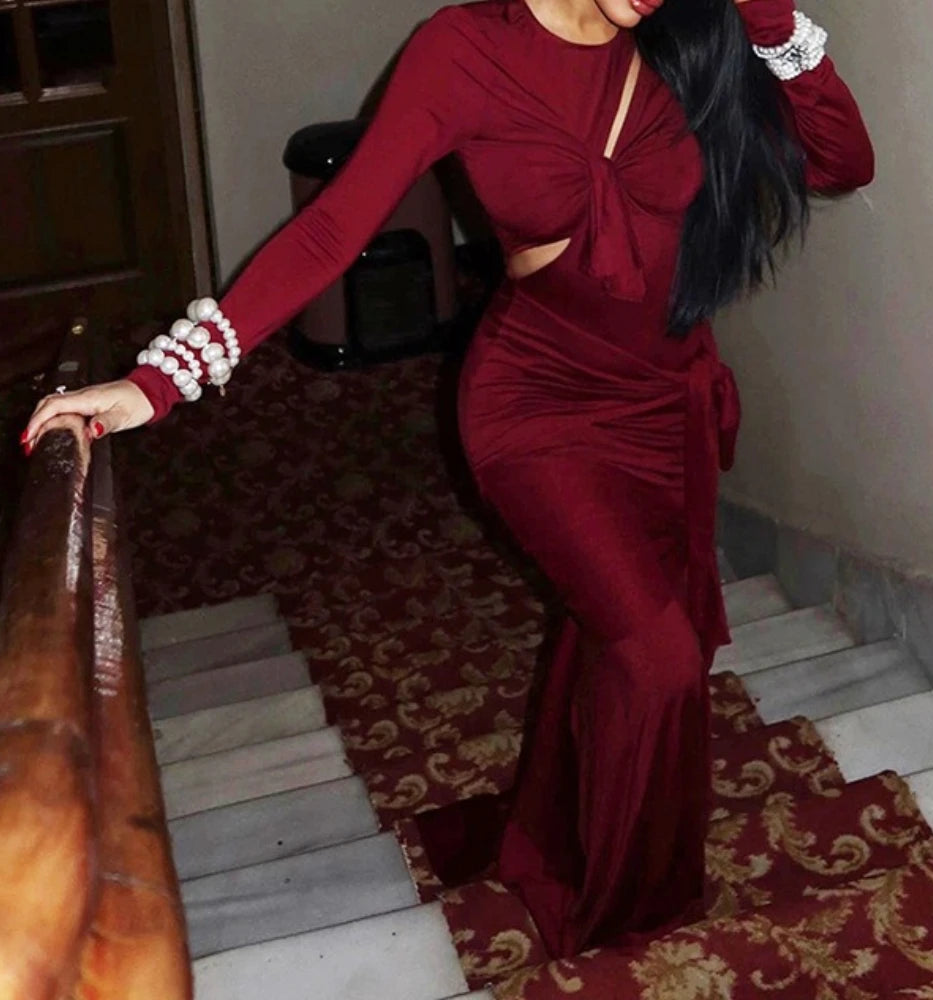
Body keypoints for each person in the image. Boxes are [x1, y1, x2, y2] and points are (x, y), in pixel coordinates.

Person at [23, 0, 873, 960]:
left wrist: (766, 18)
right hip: (538, 407)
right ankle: (631, 924)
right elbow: (329, 232)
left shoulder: (690, 37)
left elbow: (844, 161)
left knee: (624, 632)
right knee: (659, 654)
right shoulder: (465, 50)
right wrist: (158, 382)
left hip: (663, 402)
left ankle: (552, 838)